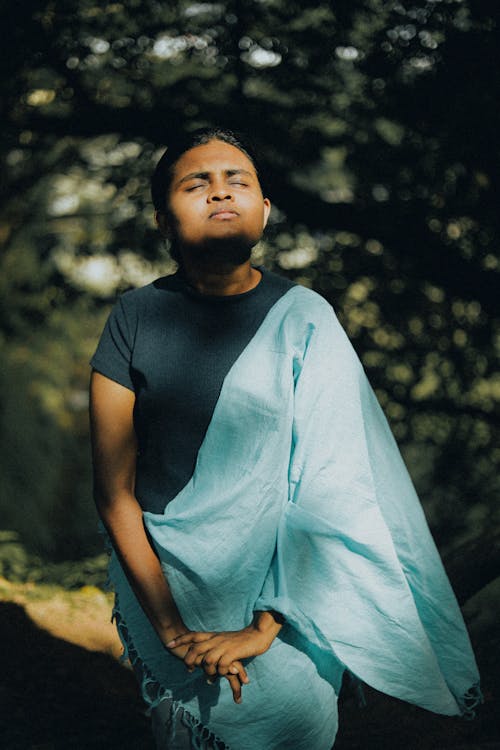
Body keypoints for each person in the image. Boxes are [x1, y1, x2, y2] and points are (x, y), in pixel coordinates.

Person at [89, 128, 481, 750]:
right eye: (197, 184)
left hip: (290, 603)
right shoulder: (136, 317)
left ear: (265, 210)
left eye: (237, 181)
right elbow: (113, 490)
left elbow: (334, 490)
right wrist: (171, 628)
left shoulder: (306, 319)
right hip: (167, 587)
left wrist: (264, 629)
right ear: (164, 219)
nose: (220, 192)